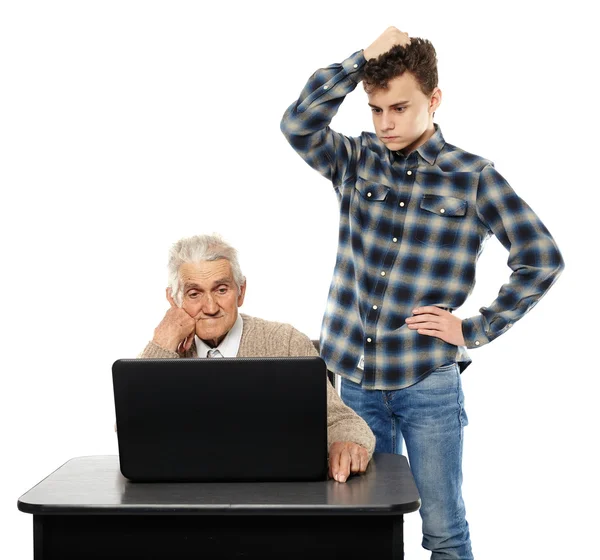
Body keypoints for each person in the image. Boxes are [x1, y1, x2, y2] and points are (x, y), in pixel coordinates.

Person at [280, 27, 564, 559]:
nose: (385, 123)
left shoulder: (473, 177)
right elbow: (297, 123)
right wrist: (361, 58)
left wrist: (473, 328)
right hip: (354, 386)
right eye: (375, 109)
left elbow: (541, 258)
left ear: (434, 100)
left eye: (399, 108)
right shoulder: (355, 159)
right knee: (360, 530)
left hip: (427, 383)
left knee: (444, 530)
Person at [139, 233, 375, 483]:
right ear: (173, 299)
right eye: (194, 294)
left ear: (240, 292)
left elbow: (341, 419)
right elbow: (132, 428)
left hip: (273, 495)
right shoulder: (167, 348)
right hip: (188, 493)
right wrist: (161, 344)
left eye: (221, 290)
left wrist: (348, 442)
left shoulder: (286, 342)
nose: (210, 307)